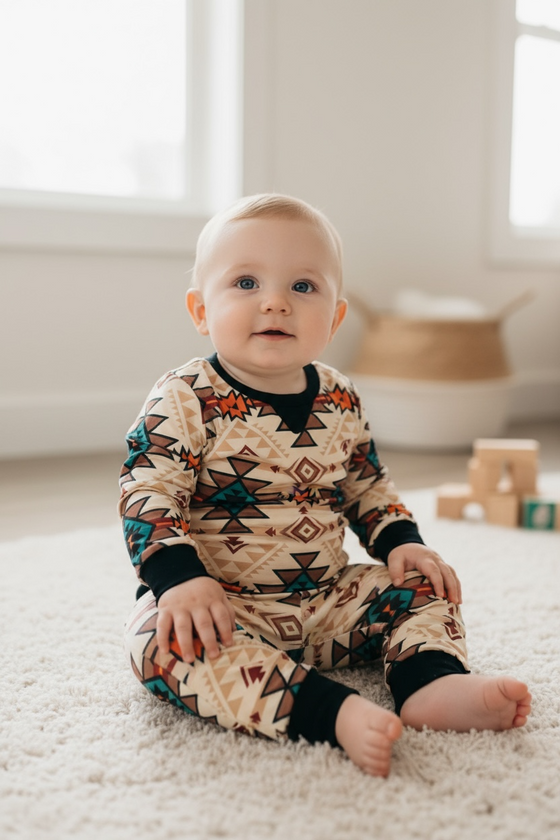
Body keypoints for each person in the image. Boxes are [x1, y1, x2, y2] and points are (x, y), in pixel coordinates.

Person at [119, 194, 531, 777]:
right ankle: (326, 712)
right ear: (200, 310)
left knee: (424, 587)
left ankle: (429, 684)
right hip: (222, 606)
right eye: (244, 282)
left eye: (303, 288)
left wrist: (400, 543)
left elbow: (367, 485)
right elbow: (148, 492)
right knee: (155, 644)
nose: (275, 302)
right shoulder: (185, 397)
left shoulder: (340, 397)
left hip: (327, 603)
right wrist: (178, 581)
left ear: (335, 318)